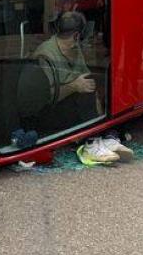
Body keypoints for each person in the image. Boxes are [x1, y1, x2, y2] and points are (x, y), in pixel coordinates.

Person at [26, 11, 130, 164]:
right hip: (45, 112)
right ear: (76, 35)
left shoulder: (74, 48)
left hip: (71, 104)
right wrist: (73, 86)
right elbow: (44, 96)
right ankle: (90, 143)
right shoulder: (45, 55)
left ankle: (106, 134)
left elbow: (86, 78)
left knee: (100, 84)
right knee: (82, 93)